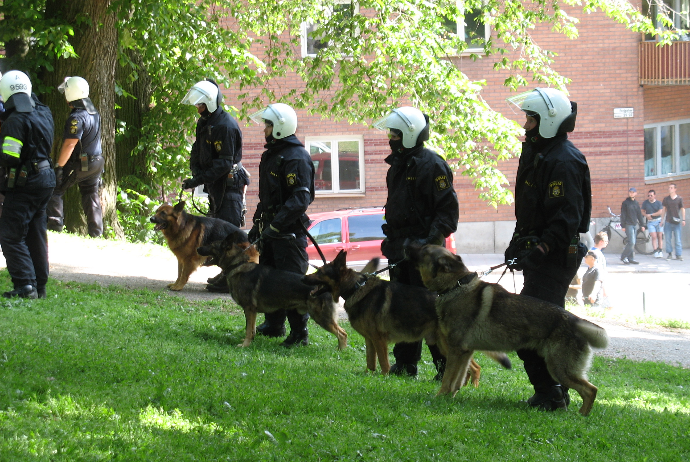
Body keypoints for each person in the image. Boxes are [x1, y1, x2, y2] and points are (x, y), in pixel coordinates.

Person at [505, 87, 591, 411]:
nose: (525, 125)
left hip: (556, 257)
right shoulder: (540, 154)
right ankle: (553, 390)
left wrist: (540, 250)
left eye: (531, 118)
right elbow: (529, 210)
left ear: (549, 121)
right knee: (531, 326)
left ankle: (552, 392)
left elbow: (566, 218)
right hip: (542, 253)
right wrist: (517, 242)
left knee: (530, 327)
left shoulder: (564, 161)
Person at [373, 106, 459, 380]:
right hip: (401, 250)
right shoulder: (397, 166)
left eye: (395, 133)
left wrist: (425, 246)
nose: (391, 138)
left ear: (409, 134)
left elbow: (447, 214)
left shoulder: (433, 165)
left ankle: (445, 367)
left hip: (426, 254)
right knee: (402, 306)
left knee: (431, 309)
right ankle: (405, 363)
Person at [247, 103, 315, 347]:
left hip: (288, 233)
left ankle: (299, 333)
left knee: (292, 284)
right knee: (268, 280)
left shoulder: (296, 157)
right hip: (272, 230)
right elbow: (266, 198)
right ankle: (274, 324)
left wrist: (276, 226)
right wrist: (258, 223)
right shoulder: (272, 154)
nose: (264, 129)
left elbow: (300, 199)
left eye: (268, 124)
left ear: (279, 128)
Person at [180, 79, 249, 291]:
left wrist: (198, 180)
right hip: (215, 185)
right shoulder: (205, 122)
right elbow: (197, 149)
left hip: (228, 187)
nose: (197, 108)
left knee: (228, 234)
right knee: (219, 232)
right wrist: (196, 172)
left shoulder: (225, 126)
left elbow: (224, 163)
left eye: (200, 104)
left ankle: (231, 278)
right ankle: (226, 275)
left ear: (210, 103)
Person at [0, 70, 56, 299]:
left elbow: (10, 157)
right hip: (46, 178)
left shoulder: (15, 121)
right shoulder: (44, 111)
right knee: (36, 232)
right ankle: (39, 286)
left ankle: (25, 285)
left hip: (25, 183)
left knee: (11, 235)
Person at [46, 77, 104, 238]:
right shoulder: (93, 113)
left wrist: (59, 167)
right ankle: (96, 232)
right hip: (97, 162)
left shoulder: (76, 117)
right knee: (90, 193)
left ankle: (54, 225)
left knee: (55, 188)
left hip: (81, 164)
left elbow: (69, 145)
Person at [620, 187, 645, 265]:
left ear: (635, 193)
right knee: (632, 242)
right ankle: (623, 257)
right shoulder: (625, 203)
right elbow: (623, 214)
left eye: (633, 192)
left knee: (632, 242)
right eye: (630, 192)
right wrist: (623, 225)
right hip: (628, 224)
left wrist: (642, 224)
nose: (631, 193)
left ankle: (630, 258)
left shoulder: (636, 203)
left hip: (634, 224)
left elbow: (639, 215)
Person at [661, 183, 685, 261]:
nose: (670, 189)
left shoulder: (679, 199)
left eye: (671, 187)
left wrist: (683, 219)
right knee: (668, 239)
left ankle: (678, 254)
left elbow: (682, 209)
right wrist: (662, 220)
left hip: (677, 222)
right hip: (668, 221)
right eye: (669, 188)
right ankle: (669, 254)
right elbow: (664, 210)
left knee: (678, 239)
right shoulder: (666, 199)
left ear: (675, 189)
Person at [641, 189, 664, 258]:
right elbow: (642, 211)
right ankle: (655, 250)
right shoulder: (645, 203)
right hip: (650, 222)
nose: (650, 197)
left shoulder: (659, 203)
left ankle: (660, 250)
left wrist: (651, 215)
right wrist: (646, 215)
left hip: (658, 220)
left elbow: (660, 212)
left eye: (651, 195)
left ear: (654, 196)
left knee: (660, 235)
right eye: (649, 195)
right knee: (654, 236)